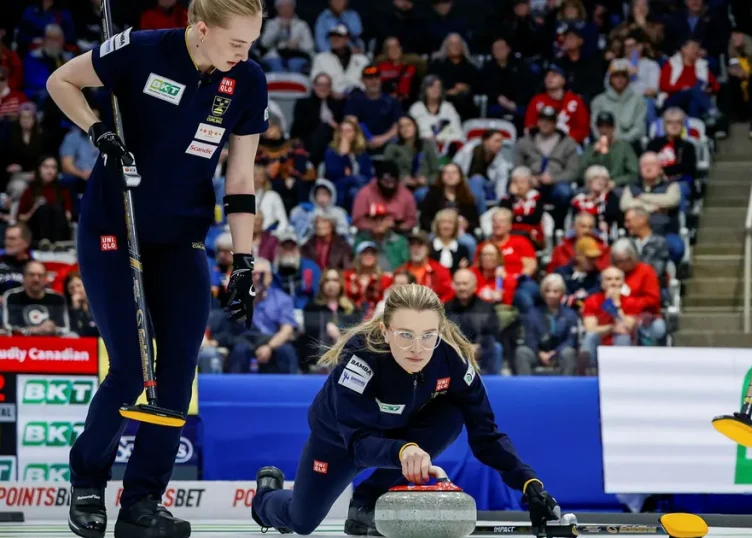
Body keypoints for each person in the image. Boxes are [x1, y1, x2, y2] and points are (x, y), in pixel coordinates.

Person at [45, 0, 269, 536]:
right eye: (237, 42)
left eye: (251, 42)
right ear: (199, 28)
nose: (246, 53)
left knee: (176, 372)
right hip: (113, 226)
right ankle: (88, 482)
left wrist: (244, 262)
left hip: (182, 235)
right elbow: (61, 81)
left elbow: (240, 178)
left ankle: (143, 502)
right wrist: (99, 131)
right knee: (128, 366)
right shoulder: (143, 49)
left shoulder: (248, 80)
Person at [250, 284, 562, 536]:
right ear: (385, 331)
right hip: (340, 440)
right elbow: (357, 443)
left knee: (454, 413)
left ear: (439, 330)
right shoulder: (361, 356)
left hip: (400, 431)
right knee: (301, 522)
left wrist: (529, 485)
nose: (417, 348)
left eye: (428, 335)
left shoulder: (452, 360)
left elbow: (486, 434)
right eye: (405, 335)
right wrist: (404, 451)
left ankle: (366, 501)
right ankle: (265, 497)